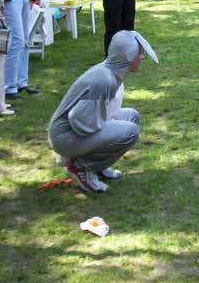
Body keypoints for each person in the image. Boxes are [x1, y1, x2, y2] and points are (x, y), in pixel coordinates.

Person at [47, 30, 159, 193]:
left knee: (132, 116)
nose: (142, 57)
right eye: (139, 54)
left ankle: (98, 166)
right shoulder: (105, 79)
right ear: (129, 58)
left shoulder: (109, 72)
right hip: (64, 136)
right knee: (130, 131)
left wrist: (106, 123)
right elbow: (78, 120)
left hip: (74, 131)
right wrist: (107, 124)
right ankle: (81, 168)